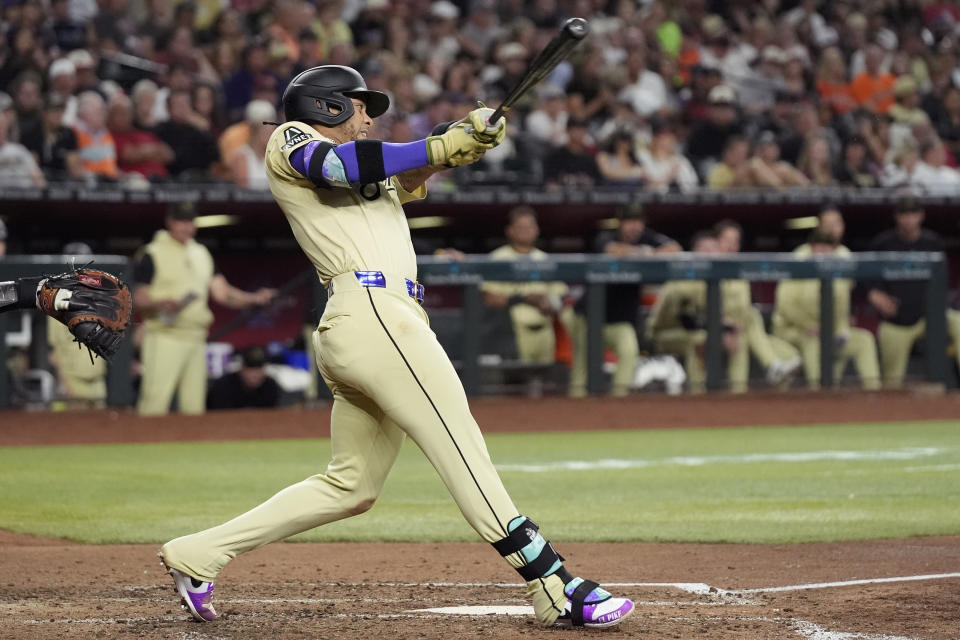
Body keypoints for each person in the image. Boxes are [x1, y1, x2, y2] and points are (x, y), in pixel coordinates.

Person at [157, 65, 635, 630]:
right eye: (360, 108)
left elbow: (404, 174)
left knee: (350, 485)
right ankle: (554, 585)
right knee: (461, 447)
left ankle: (199, 553)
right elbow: (342, 166)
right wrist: (440, 141)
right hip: (374, 315)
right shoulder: (294, 139)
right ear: (327, 106)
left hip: (373, 323)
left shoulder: (365, 168)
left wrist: (463, 140)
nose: (367, 118)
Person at [134, 203, 275, 416]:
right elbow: (138, 297)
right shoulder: (152, 252)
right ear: (170, 222)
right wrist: (160, 302)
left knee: (194, 407)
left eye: (190, 221)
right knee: (155, 402)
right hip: (164, 334)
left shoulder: (201, 253)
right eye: (181, 221)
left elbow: (222, 293)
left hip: (196, 336)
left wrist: (253, 298)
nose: (186, 226)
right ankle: (143, 446)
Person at [569, 204, 680, 398]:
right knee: (583, 364)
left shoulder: (648, 237)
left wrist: (648, 253)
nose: (634, 227)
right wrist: (642, 254)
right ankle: (575, 405)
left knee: (629, 352)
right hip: (589, 317)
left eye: (638, 222)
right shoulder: (606, 234)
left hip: (619, 320)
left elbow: (674, 248)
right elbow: (611, 249)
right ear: (620, 223)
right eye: (629, 222)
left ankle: (618, 400)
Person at [868, 197, 960, 388]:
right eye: (904, 214)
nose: (908, 219)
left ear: (921, 216)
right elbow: (868, 279)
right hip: (897, 320)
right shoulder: (883, 243)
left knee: (958, 323)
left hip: (930, 316)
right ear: (897, 217)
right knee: (892, 382)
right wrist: (874, 293)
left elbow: (942, 280)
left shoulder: (932, 242)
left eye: (912, 214)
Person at [773, 229, 880, 390]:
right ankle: (818, 391)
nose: (823, 253)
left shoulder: (839, 271)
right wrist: (807, 324)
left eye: (828, 249)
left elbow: (842, 310)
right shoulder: (798, 264)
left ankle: (874, 390)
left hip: (828, 332)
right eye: (819, 248)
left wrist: (842, 332)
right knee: (812, 340)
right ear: (812, 248)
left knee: (864, 340)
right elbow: (785, 305)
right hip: (794, 330)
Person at [713, 220, 802, 387]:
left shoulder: (740, 272)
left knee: (791, 355)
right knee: (750, 320)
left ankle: (772, 375)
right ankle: (773, 365)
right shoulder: (707, 267)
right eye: (727, 240)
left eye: (736, 241)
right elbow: (699, 311)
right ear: (716, 241)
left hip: (741, 330)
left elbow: (745, 308)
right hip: (714, 330)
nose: (732, 246)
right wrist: (725, 329)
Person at [482, 206, 566, 365]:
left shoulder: (544, 259)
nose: (525, 231)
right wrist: (524, 299)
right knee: (516, 381)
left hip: (545, 330)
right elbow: (489, 298)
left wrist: (551, 303)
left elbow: (562, 295)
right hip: (512, 331)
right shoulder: (498, 258)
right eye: (520, 227)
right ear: (510, 230)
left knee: (546, 383)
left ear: (537, 230)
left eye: (529, 227)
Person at [47, 242, 107, 408]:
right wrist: (62, 383)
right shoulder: (57, 302)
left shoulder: (100, 300)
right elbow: (53, 351)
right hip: (72, 383)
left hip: (98, 381)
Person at [207, 345, 281, 410]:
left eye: (258, 369)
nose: (255, 375)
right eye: (250, 369)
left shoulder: (270, 387)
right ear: (241, 368)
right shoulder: (223, 386)